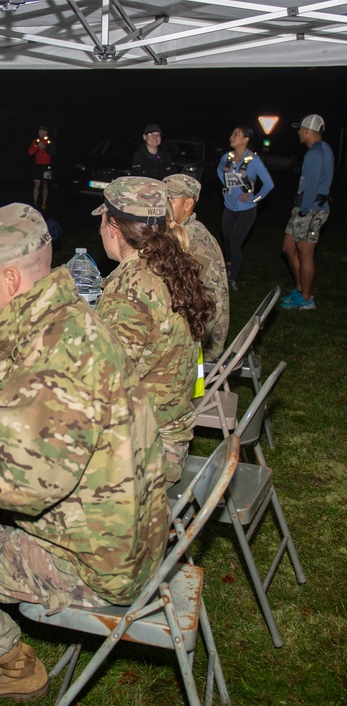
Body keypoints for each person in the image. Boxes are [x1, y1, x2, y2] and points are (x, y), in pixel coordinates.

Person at [0, 203, 169, 703]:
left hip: (97, 563)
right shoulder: (60, 320)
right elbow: (10, 393)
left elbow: (19, 486)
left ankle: (13, 668)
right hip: (115, 530)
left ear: (12, 278)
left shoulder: (57, 350)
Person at [93, 176, 215, 484]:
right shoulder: (168, 265)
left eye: (103, 220)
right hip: (165, 435)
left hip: (143, 454)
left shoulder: (130, 289)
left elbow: (98, 387)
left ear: (114, 228)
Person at [164, 174, 230, 363]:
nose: (165, 204)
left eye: (171, 198)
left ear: (188, 204)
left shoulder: (194, 239)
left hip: (201, 339)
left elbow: (199, 303)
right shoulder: (182, 230)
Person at [280, 113, 333, 310]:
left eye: (300, 129)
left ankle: (307, 298)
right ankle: (300, 289)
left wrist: (303, 210)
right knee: (288, 247)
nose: (298, 133)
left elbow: (311, 186)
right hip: (304, 209)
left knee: (305, 253)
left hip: (310, 210)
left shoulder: (314, 154)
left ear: (307, 131)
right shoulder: (322, 149)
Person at [216, 124, 274, 292]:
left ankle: (232, 278)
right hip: (229, 207)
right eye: (232, 133)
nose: (231, 137)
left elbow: (269, 185)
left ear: (246, 139)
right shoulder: (226, 158)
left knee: (235, 241)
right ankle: (229, 264)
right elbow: (220, 172)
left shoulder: (254, 161)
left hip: (246, 210)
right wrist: (226, 187)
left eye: (236, 134)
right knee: (226, 239)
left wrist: (254, 197)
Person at [27, 124, 54, 209]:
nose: (39, 133)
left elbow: (54, 153)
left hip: (46, 166)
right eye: (39, 131)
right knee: (36, 184)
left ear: (45, 132)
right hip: (37, 165)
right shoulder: (36, 141)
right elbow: (30, 152)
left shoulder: (50, 141)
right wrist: (36, 147)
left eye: (41, 131)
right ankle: (35, 202)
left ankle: (44, 202)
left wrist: (45, 147)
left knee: (45, 184)